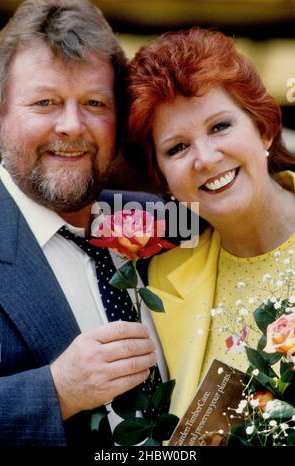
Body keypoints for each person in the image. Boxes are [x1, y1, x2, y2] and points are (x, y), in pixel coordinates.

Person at [0, 0, 167, 448]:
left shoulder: (167, 222)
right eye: (45, 102)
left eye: (94, 103)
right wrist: (56, 391)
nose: (71, 125)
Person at [126, 27, 295, 421]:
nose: (205, 158)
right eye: (177, 148)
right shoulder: (160, 287)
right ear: (162, 178)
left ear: (264, 129)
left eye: (220, 126)